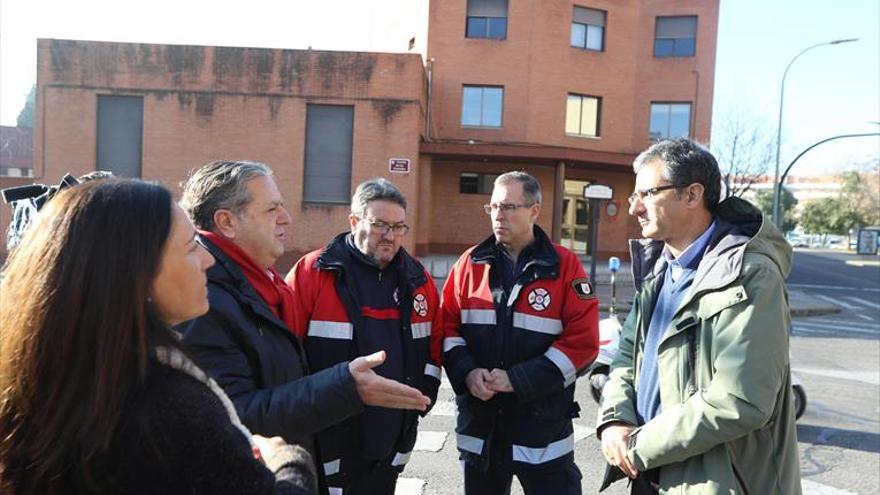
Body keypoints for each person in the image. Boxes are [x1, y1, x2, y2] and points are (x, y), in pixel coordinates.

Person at [0, 179, 316, 494]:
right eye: (193, 247)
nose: (208, 261)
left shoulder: (34, 378)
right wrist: (287, 461)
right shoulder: (169, 407)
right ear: (138, 273)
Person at [176, 161, 430, 492]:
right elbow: (234, 419)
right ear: (227, 222)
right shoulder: (204, 297)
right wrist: (345, 387)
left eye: (398, 227)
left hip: (356, 442)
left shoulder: (259, 285)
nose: (286, 217)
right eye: (272, 208)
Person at [597, 138, 802, 494]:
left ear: (692, 195)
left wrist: (637, 446)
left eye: (647, 194)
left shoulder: (750, 274)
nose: (635, 209)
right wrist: (615, 421)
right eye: (634, 197)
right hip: (649, 473)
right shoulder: (660, 271)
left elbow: (740, 400)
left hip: (716, 483)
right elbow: (625, 359)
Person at [441, 171, 599, 495]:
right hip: (482, 430)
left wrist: (517, 380)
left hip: (542, 431)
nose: (499, 215)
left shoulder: (565, 266)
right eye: (494, 207)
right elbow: (446, 328)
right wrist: (467, 372)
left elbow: (583, 344)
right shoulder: (469, 265)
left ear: (534, 211)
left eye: (510, 207)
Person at [285, 178, 443, 494]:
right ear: (355, 221)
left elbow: (433, 345)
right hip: (328, 428)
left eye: (399, 227)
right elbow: (285, 348)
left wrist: (425, 394)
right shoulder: (314, 272)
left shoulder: (418, 280)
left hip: (392, 430)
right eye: (380, 224)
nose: (390, 236)